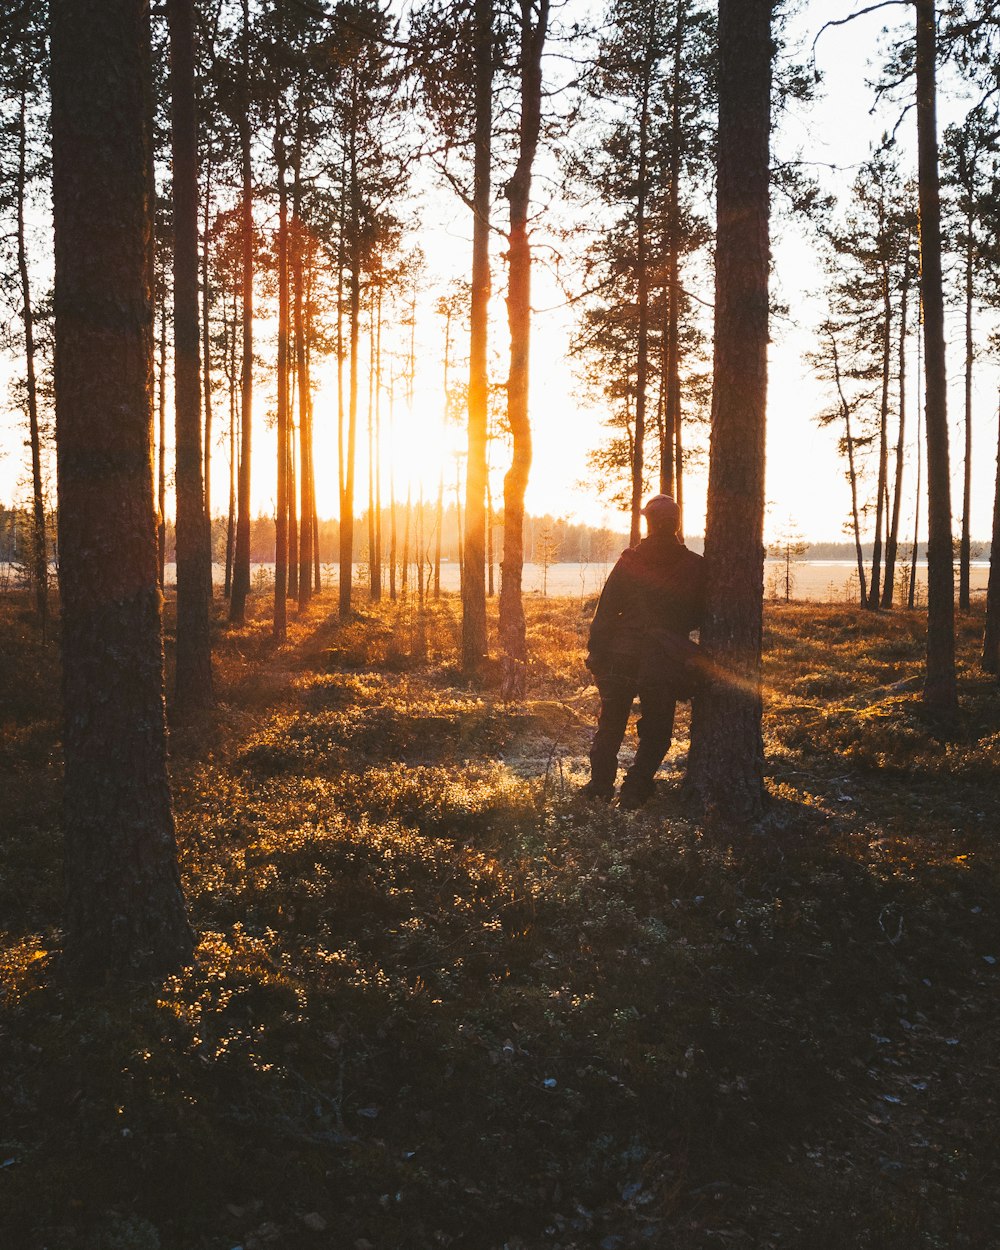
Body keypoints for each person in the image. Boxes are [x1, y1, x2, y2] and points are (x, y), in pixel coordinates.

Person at [582, 494, 705, 808]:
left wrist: (596, 652)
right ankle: (635, 790)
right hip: (664, 659)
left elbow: (606, 609)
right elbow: (701, 615)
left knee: (611, 723)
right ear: (676, 525)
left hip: (622, 654)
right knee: (658, 729)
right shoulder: (695, 566)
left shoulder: (630, 560)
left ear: (648, 523)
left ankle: (599, 789)